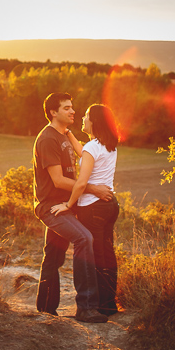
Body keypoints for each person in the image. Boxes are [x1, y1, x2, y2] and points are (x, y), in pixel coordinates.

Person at [33, 92, 113, 323]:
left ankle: (45, 309)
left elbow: (86, 155)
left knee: (53, 256)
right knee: (83, 239)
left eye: (72, 107)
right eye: (66, 108)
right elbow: (58, 180)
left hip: (65, 205)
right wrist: (93, 189)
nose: (72, 111)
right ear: (53, 113)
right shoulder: (48, 139)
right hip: (52, 206)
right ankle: (86, 307)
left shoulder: (65, 135)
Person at [51, 103, 121, 315]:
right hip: (110, 205)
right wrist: (70, 135)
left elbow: (81, 184)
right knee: (108, 255)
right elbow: (85, 153)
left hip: (92, 208)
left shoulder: (93, 148)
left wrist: (68, 205)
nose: (82, 117)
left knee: (96, 257)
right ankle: (109, 304)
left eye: (87, 115)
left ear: (95, 121)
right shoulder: (108, 144)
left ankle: (97, 306)